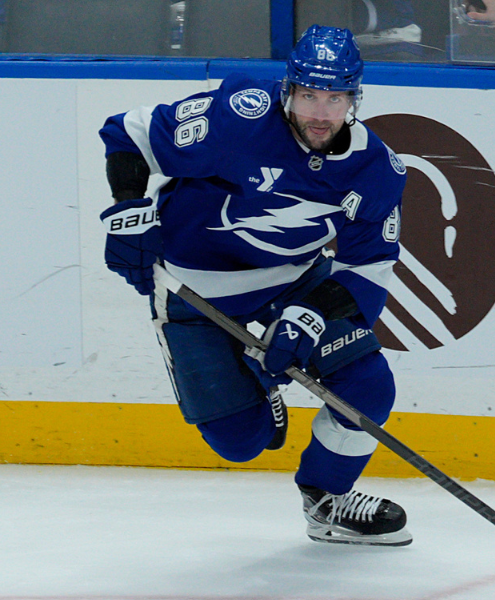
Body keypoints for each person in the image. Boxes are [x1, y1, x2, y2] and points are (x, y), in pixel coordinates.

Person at [97, 25, 411, 547]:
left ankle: (327, 500)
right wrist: (129, 209)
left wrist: (310, 314)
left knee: (368, 387)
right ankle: (256, 383)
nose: (320, 113)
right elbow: (129, 134)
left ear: (355, 99)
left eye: (335, 99)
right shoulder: (238, 117)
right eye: (309, 96)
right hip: (193, 291)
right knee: (241, 443)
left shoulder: (375, 170)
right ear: (288, 90)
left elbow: (369, 267)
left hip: (294, 283)